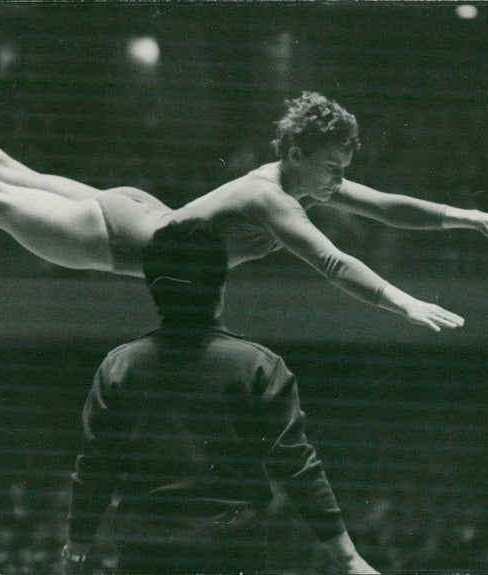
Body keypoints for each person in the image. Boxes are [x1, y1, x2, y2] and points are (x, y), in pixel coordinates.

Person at [0, 92, 488, 332]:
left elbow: (387, 206)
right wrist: (403, 299)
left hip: (142, 213)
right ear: (299, 153)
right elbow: (330, 259)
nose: (343, 179)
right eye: (335, 165)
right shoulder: (270, 195)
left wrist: (469, 215)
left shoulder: (288, 181)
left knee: (9, 170)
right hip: (117, 238)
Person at [62, 219, 379, 574]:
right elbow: (298, 468)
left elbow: (95, 467)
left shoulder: (118, 367)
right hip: (232, 550)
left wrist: (77, 546)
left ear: (153, 288)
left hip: (145, 553)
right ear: (220, 286)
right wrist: (349, 559)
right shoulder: (259, 366)